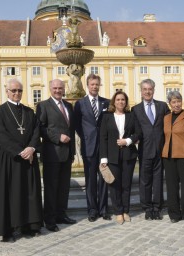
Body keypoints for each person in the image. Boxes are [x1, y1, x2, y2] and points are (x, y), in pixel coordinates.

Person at [0, 78, 43, 242]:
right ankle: (8, 229)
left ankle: (29, 226)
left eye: (19, 90)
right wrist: (20, 151)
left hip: (29, 157)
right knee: (9, 193)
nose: (16, 93)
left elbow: (36, 132)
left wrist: (32, 148)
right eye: (13, 90)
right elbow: (1, 136)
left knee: (29, 192)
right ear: (7, 91)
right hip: (9, 158)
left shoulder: (29, 112)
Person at [36, 79, 76, 232]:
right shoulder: (43, 106)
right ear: (50, 89)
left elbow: (71, 130)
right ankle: (50, 219)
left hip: (66, 153)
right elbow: (41, 128)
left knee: (63, 187)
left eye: (60, 88)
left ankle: (61, 214)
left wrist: (72, 151)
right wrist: (58, 137)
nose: (58, 90)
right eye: (55, 88)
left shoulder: (68, 105)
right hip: (52, 152)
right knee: (51, 187)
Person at [99, 91, 141, 224]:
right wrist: (103, 158)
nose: (120, 102)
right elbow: (103, 138)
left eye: (123, 99)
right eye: (118, 99)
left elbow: (138, 133)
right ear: (114, 102)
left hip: (128, 154)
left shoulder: (131, 115)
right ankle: (118, 212)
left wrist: (128, 141)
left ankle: (125, 211)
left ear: (126, 102)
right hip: (112, 155)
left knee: (126, 184)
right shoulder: (106, 117)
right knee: (114, 184)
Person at [74, 74, 111, 222]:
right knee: (90, 180)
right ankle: (92, 210)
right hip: (88, 146)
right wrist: (85, 136)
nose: (94, 86)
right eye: (92, 84)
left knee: (103, 179)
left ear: (99, 85)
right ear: (87, 85)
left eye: (97, 84)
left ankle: (103, 209)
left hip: (103, 147)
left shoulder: (106, 103)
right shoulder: (80, 103)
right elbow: (76, 123)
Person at [132, 78, 170, 220]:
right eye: (145, 89)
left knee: (158, 180)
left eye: (150, 89)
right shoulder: (135, 109)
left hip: (160, 150)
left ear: (153, 90)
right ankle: (147, 208)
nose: (147, 92)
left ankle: (157, 207)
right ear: (141, 91)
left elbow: (168, 127)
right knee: (145, 181)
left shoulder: (162, 106)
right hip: (145, 150)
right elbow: (135, 131)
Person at [162, 91, 184, 224]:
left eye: (178, 101)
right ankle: (174, 214)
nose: (176, 104)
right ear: (169, 104)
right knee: (171, 188)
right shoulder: (166, 118)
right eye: (173, 102)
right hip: (169, 157)